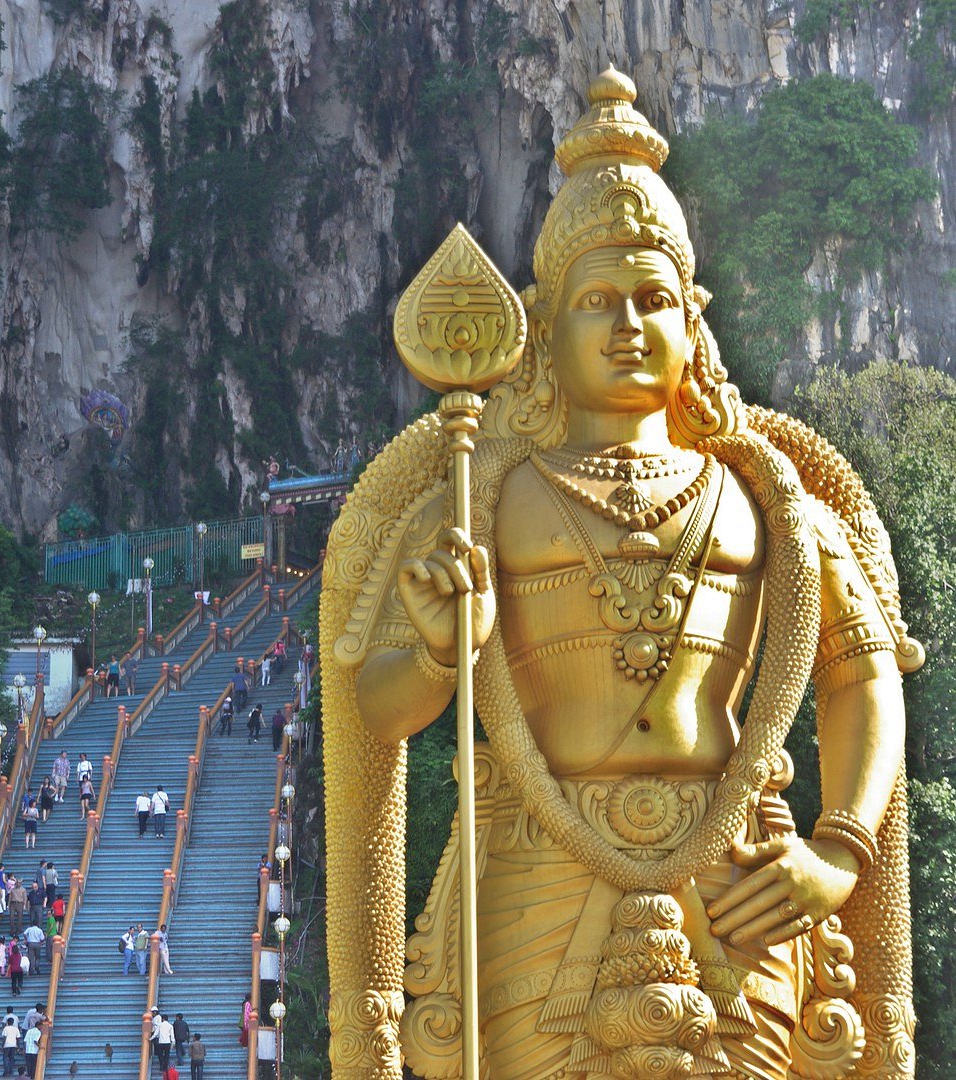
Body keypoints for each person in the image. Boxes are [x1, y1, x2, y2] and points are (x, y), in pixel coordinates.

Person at [324, 66, 921, 1080]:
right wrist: (435, 650)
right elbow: (371, 710)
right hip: (532, 871)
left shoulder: (768, 496)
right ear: (543, 326)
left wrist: (838, 851)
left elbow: (860, 673)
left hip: (737, 867)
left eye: (653, 298)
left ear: (693, 319)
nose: (629, 325)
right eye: (598, 300)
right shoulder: (478, 499)